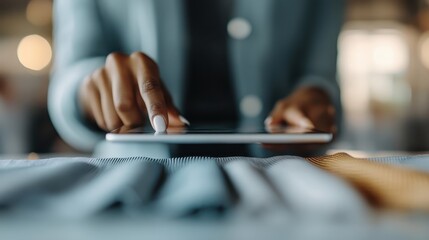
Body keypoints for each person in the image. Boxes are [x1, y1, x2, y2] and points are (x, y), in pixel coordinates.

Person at [49, 0, 345, 157]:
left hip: (278, 174)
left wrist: (315, 96)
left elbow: (319, 75)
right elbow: (69, 78)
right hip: (137, 171)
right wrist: (90, 91)